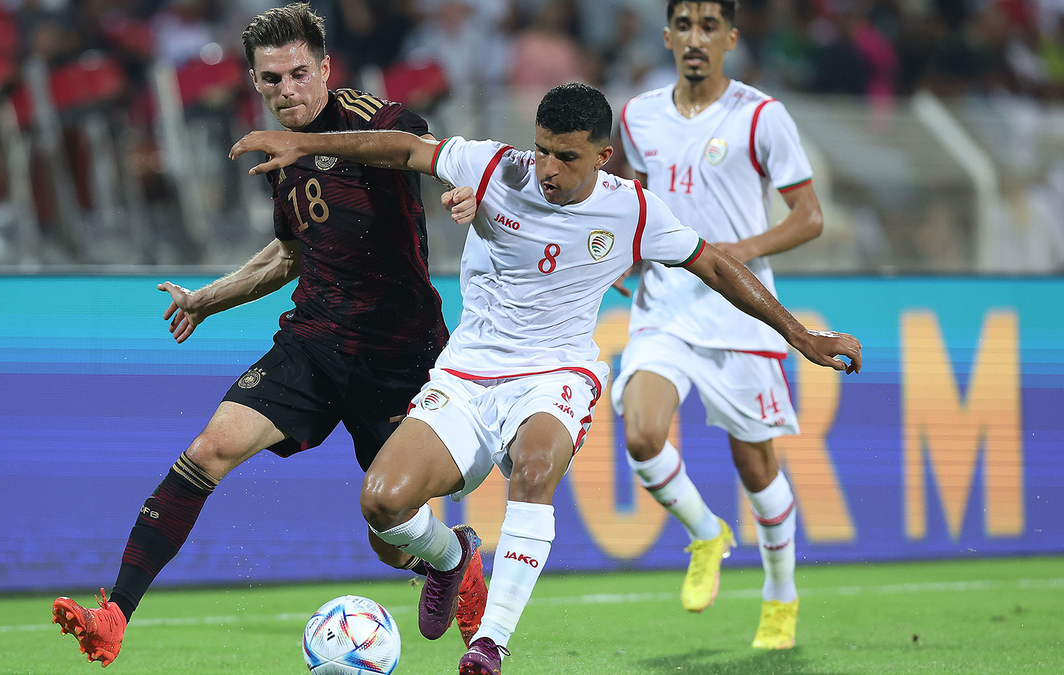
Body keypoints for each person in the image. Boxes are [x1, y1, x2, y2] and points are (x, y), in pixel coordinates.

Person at [229, 81, 862, 674]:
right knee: (382, 504)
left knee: (533, 474)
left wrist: (800, 335)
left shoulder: (633, 209)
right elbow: (401, 148)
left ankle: (489, 644)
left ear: (603, 157)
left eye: (565, 157)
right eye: (541, 150)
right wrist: (304, 143)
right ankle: (453, 559)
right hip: (469, 370)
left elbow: (717, 267)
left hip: (556, 371)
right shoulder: (495, 167)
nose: (548, 169)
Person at [50, 3, 487, 666]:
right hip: (314, 339)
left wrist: (471, 195)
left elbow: (424, 153)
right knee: (210, 447)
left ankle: (454, 554)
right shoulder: (278, 155)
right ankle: (113, 613)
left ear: (327, 69)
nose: (288, 90)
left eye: (299, 73)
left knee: (389, 535)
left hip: (400, 355)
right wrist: (207, 299)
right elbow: (288, 253)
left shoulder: (377, 120)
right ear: (255, 82)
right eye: (272, 79)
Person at [614, 0, 826, 651]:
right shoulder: (637, 115)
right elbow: (636, 198)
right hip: (666, 304)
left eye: (709, 27)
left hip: (739, 309)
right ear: (668, 35)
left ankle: (780, 596)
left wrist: (733, 251)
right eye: (684, 26)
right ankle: (706, 531)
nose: (696, 39)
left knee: (756, 466)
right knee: (643, 431)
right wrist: (620, 253)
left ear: (731, 38)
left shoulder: (762, 116)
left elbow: (809, 215)